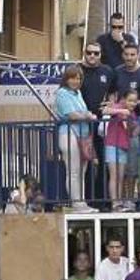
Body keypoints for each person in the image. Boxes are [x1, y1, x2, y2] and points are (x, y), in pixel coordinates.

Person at [55, 64, 98, 212]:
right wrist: (88, 115)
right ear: (66, 79)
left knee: (82, 171)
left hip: (83, 134)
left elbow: (82, 112)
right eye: (72, 78)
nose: (76, 81)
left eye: (78, 78)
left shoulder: (78, 93)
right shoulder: (62, 93)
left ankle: (82, 202)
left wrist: (87, 115)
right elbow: (72, 115)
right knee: (73, 170)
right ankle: (76, 203)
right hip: (69, 133)